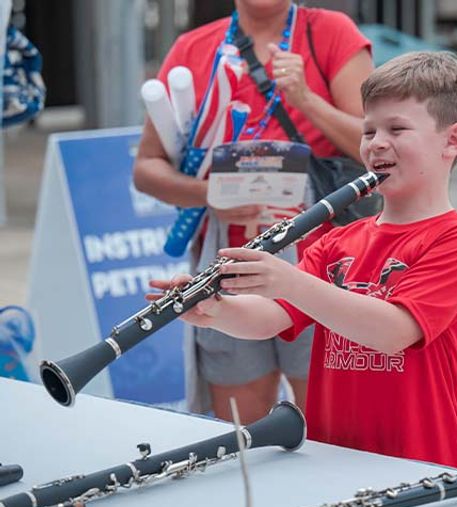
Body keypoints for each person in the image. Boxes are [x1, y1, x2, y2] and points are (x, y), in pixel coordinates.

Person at [150, 51, 457, 469]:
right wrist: (215, 309)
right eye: (369, 131)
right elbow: (273, 316)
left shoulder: (455, 239)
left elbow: (395, 331)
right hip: (333, 458)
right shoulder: (339, 240)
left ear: (452, 140)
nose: (377, 143)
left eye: (397, 129)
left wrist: (289, 281)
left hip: (418, 462)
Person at [134, 1, 373, 424]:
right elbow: (147, 168)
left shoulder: (331, 33)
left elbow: (376, 146)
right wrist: (208, 193)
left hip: (323, 263)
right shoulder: (194, 48)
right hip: (228, 262)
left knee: (327, 429)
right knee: (242, 437)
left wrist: (305, 99)